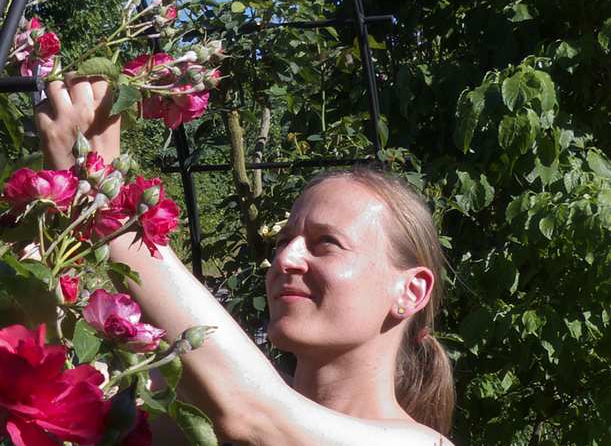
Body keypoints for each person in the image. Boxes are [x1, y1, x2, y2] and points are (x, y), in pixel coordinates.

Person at [35, 77, 456, 445]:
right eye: (286, 240)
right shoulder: (190, 409)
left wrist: (105, 195)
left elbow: (252, 412)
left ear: (410, 291)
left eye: (326, 243)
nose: (285, 259)